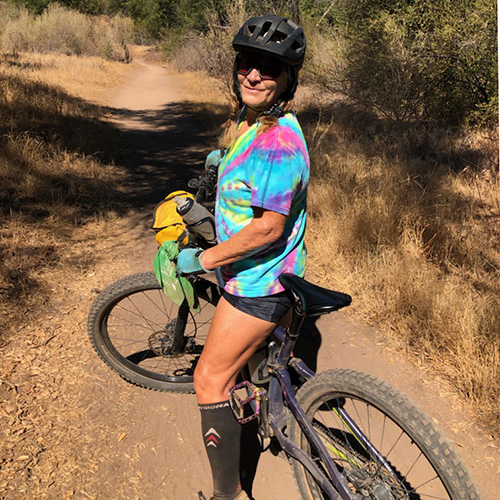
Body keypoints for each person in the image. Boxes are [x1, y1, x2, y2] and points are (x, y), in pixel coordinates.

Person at [177, 13, 309, 500]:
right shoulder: (252, 121)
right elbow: (242, 156)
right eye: (247, 64)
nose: (254, 75)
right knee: (238, 369)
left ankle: (228, 494)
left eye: (269, 69)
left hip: (259, 284)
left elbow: (268, 226)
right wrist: (221, 159)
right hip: (270, 275)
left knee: (209, 378)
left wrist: (205, 259)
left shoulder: (279, 143)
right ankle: (255, 403)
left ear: (288, 80)